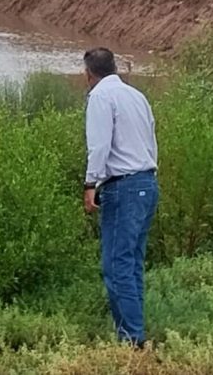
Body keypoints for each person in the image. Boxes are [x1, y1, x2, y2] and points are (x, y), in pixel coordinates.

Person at [82, 47, 159, 347]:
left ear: (88, 74)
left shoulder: (100, 97)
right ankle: (135, 335)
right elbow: (151, 141)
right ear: (114, 67)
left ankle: (132, 341)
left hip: (123, 187)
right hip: (147, 183)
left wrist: (91, 184)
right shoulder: (136, 96)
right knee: (133, 264)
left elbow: (99, 146)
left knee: (117, 267)